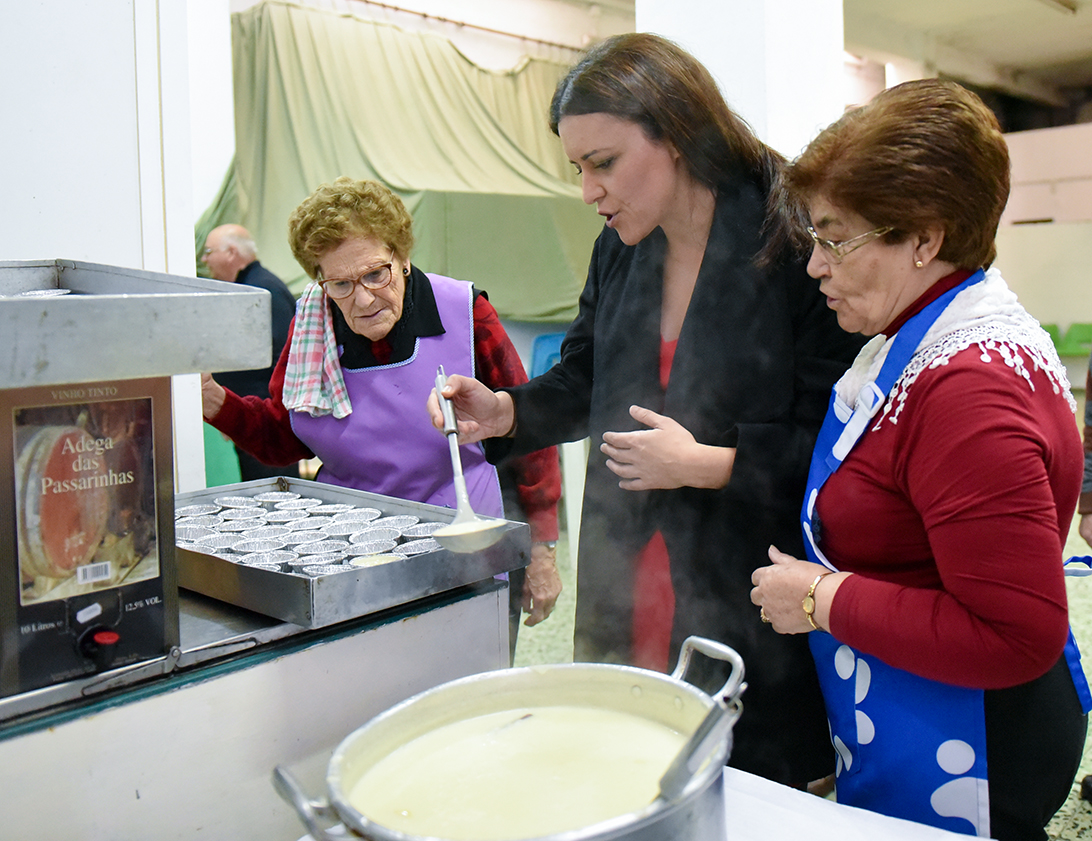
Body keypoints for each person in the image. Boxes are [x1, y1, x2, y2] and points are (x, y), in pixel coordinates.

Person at [427, 32, 864, 788]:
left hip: (745, 568)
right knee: (623, 757)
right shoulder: (622, 246)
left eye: (604, 163)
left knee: (742, 775)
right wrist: (504, 411)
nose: (589, 190)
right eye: (578, 168)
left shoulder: (793, 240)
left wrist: (707, 463)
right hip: (628, 557)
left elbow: (842, 438)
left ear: (678, 134)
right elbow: (586, 376)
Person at [749, 79, 1090, 840]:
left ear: (926, 238)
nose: (815, 266)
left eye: (836, 239)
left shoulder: (968, 390)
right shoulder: (937, 322)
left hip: (976, 743)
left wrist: (820, 598)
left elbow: (1016, 633)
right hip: (925, 699)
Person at [201, 178, 562, 636]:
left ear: (402, 256)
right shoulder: (313, 326)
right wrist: (216, 401)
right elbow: (281, 436)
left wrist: (543, 549)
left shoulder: (463, 312)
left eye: (376, 273)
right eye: (341, 283)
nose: (364, 298)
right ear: (320, 279)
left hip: (465, 549)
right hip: (354, 556)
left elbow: (529, 432)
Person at [201, 223, 300, 481]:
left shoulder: (263, 291)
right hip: (252, 421)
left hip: (268, 428)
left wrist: (243, 410)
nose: (205, 259)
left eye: (209, 251)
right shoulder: (250, 287)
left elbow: (279, 361)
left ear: (231, 252)